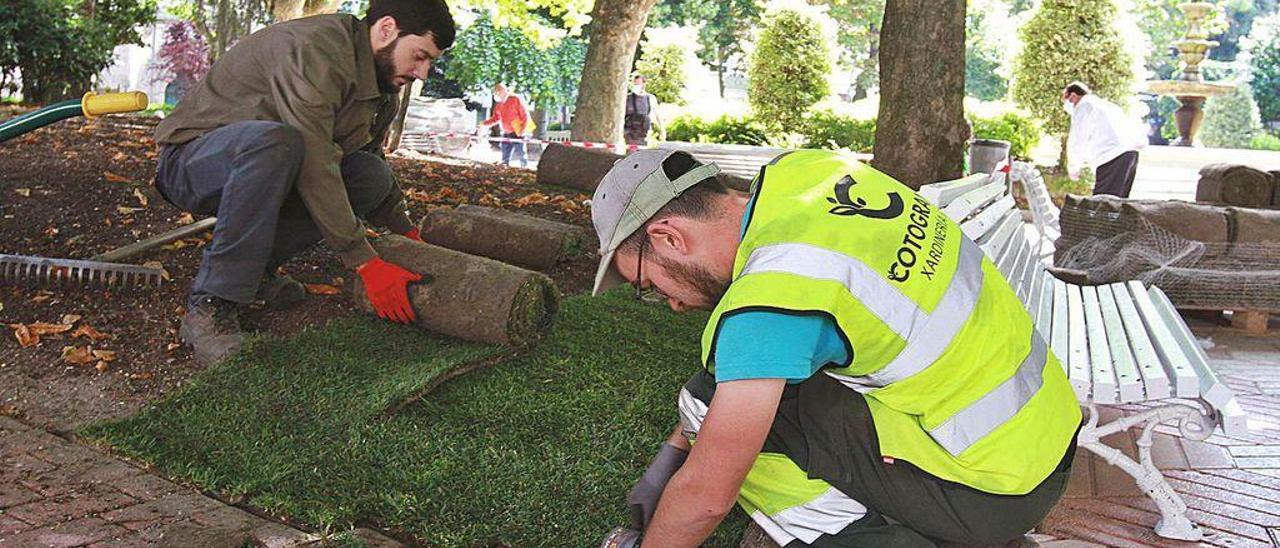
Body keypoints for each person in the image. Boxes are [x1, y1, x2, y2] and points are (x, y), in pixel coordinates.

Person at [589, 148, 1082, 546]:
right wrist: (668, 460)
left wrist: (676, 488)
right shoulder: (809, 172)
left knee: (712, 413)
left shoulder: (770, 299)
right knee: (721, 393)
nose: (670, 304)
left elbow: (707, 497)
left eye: (649, 285)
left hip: (993, 493)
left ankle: (869, 539)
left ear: (669, 238)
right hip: (1046, 434)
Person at [152, 0, 455, 365]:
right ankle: (210, 306)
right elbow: (314, 158)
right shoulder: (316, 50)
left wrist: (405, 231)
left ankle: (255, 272)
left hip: (270, 164)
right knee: (278, 143)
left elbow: (369, 157)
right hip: (191, 163)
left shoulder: (382, 83)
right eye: (419, 56)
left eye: (430, 62)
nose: (422, 73)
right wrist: (365, 262)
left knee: (368, 177)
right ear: (387, 29)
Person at [1062, 81, 1147, 197]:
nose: (1065, 105)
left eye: (1065, 99)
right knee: (1117, 204)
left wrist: (1073, 167)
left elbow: (1078, 138)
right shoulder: (1107, 105)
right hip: (1130, 154)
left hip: (1111, 157)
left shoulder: (1084, 105)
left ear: (1073, 96)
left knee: (1102, 205)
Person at [477, 83, 532, 167]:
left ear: (502, 91)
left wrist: (523, 129)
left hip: (518, 130)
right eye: (495, 93)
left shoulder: (515, 99)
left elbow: (525, 115)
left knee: (521, 154)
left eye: (497, 92)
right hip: (506, 132)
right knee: (505, 155)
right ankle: (505, 167)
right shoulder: (499, 104)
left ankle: (525, 169)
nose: (496, 94)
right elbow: (495, 118)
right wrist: (484, 124)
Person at [624, 75, 664, 147]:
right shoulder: (627, 98)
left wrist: (662, 130)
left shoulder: (650, 98)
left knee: (642, 152)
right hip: (629, 132)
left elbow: (657, 115)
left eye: (638, 83)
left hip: (644, 131)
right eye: (635, 84)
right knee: (631, 152)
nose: (636, 86)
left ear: (644, 84)